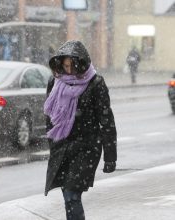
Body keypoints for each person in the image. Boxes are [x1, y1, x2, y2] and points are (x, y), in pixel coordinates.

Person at [44, 40, 117, 220]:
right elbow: (49, 115)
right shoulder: (55, 82)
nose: (68, 70)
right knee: (67, 195)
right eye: (65, 65)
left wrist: (110, 157)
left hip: (87, 147)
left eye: (72, 65)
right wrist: (53, 143)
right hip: (62, 147)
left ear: (81, 64)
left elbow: (106, 121)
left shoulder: (95, 83)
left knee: (72, 194)